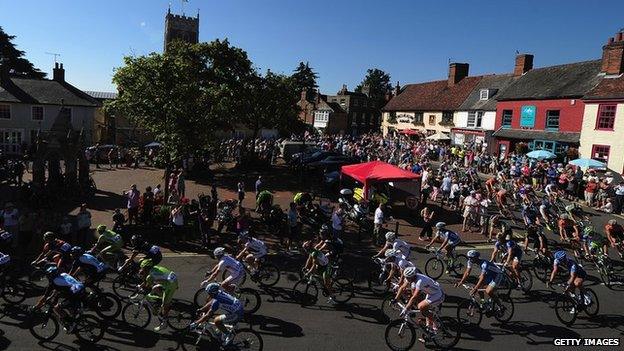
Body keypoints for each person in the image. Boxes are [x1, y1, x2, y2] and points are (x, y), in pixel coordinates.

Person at [32, 266, 85, 333]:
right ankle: (76, 316)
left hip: (75, 294)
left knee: (57, 308)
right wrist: (51, 297)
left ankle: (72, 324)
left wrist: (36, 307)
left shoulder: (53, 282)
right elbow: (59, 288)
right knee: (68, 305)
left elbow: (44, 297)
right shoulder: (64, 274)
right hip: (81, 289)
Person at [394, 267, 444, 332]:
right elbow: (402, 287)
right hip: (430, 293)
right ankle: (429, 327)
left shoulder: (420, 282)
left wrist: (406, 309)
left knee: (421, 306)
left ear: (413, 276)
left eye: (408, 278)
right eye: (406, 277)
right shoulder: (410, 277)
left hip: (437, 294)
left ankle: (436, 323)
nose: (406, 279)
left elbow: (414, 297)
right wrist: (395, 299)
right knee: (422, 308)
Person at [133, 260, 178, 332]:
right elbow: (147, 283)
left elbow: (147, 285)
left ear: (147, 268)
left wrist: (141, 289)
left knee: (164, 304)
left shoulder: (151, 275)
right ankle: (161, 302)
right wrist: (140, 286)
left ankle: (164, 323)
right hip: (171, 279)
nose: (141, 270)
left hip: (170, 284)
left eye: (143, 268)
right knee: (155, 288)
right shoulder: (153, 269)